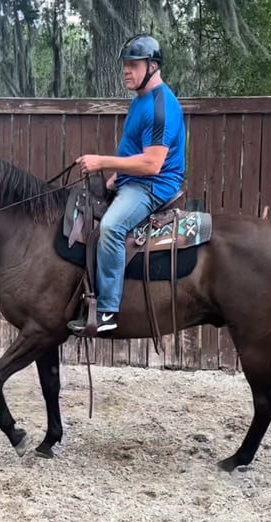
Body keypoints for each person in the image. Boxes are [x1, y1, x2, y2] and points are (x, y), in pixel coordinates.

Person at [68, 34, 187, 334]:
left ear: (153, 66)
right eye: (125, 65)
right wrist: (118, 175)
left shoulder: (161, 106)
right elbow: (136, 151)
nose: (126, 71)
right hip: (134, 181)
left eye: (133, 65)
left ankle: (107, 311)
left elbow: (152, 163)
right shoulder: (141, 100)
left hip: (154, 185)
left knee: (111, 227)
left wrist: (103, 162)